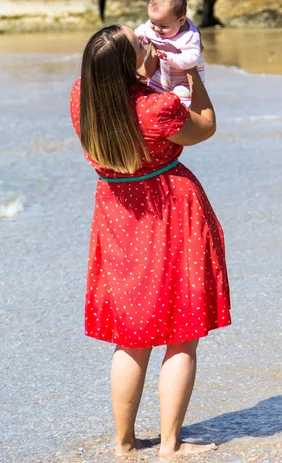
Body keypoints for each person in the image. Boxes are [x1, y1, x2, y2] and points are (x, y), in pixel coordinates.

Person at [70, 24, 231, 458]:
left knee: (132, 337)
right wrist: (192, 71)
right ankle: (170, 445)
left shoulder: (82, 97)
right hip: (168, 211)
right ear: (130, 63)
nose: (147, 36)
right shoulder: (156, 108)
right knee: (182, 334)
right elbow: (205, 127)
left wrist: (148, 65)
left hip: (117, 213)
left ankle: (123, 444)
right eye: (141, 40)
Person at [135, 0, 205, 107]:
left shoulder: (189, 36)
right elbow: (145, 31)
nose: (156, 29)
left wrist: (170, 58)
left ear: (181, 21)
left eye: (163, 26)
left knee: (180, 107)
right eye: (153, 22)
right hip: (162, 74)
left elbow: (192, 60)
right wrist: (139, 37)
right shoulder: (158, 23)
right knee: (151, 97)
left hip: (184, 81)